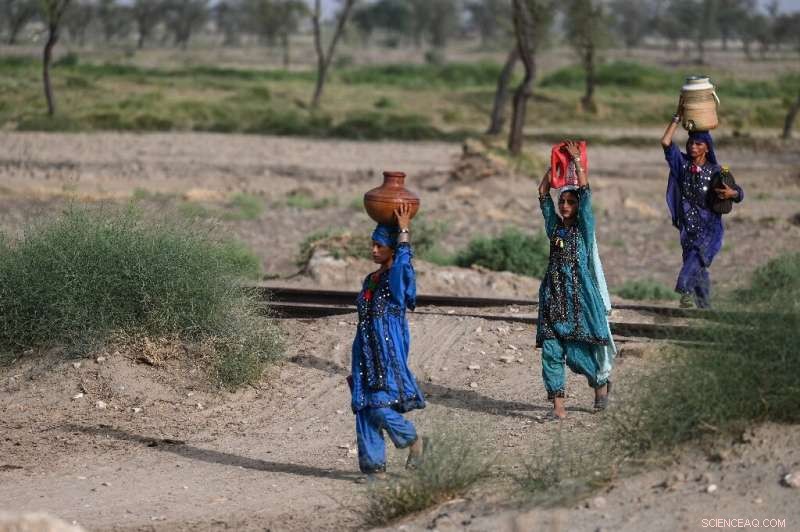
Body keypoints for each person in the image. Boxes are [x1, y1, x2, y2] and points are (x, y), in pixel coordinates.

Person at [536, 141, 615, 420]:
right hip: (552, 298)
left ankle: (600, 384)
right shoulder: (554, 227)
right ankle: (558, 410)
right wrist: (556, 166)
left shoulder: (584, 228)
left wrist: (576, 162)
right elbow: (543, 192)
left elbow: (585, 191)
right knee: (550, 351)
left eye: (571, 202)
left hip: (577, 300)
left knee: (577, 354)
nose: (565, 205)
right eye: (563, 202)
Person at [349, 204, 425, 477]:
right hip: (364, 353)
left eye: (380, 246)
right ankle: (374, 469)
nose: (373, 250)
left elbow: (403, 262)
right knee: (365, 408)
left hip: (387, 351)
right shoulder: (371, 279)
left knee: (380, 407)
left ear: (393, 249)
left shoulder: (397, 277)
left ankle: (414, 441)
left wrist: (404, 230)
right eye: (373, 245)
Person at [661, 98, 744, 308]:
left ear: (707, 147)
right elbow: (666, 143)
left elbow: (739, 192)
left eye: (698, 143)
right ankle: (705, 309)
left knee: (696, 260)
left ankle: (683, 288)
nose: (692, 146)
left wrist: (732, 193)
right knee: (699, 270)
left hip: (710, 228)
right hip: (688, 230)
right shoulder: (682, 166)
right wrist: (677, 117)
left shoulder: (717, 172)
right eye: (690, 143)